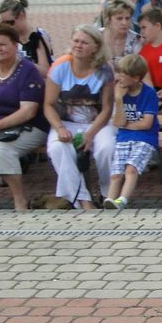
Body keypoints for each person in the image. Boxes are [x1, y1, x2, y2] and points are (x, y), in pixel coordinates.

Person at [43, 25, 116, 209]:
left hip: (98, 122)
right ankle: (83, 200)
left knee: (107, 148)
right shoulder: (59, 66)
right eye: (76, 41)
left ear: (95, 47)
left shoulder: (104, 70)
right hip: (66, 122)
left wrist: (90, 134)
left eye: (84, 42)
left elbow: (107, 108)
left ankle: (108, 193)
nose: (78, 45)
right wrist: (60, 128)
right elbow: (48, 104)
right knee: (58, 149)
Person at [0, 20, 48, 210]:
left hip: (29, 126)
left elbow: (28, 111)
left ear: (15, 46)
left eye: (2, 44)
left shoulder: (28, 70)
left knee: (0, 149)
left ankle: (19, 200)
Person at [102, 54, 159, 211]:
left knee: (131, 169)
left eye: (123, 74)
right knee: (116, 173)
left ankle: (122, 200)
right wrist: (119, 100)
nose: (119, 77)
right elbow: (118, 122)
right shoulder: (119, 92)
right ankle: (109, 201)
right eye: (118, 73)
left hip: (145, 138)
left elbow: (146, 124)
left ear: (135, 78)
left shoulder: (148, 93)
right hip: (123, 137)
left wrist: (126, 124)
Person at [0, 0, 53, 77]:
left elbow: (46, 71)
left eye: (9, 22)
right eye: (3, 23)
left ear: (21, 15)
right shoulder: (7, 36)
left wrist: (19, 62)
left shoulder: (38, 36)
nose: (6, 27)